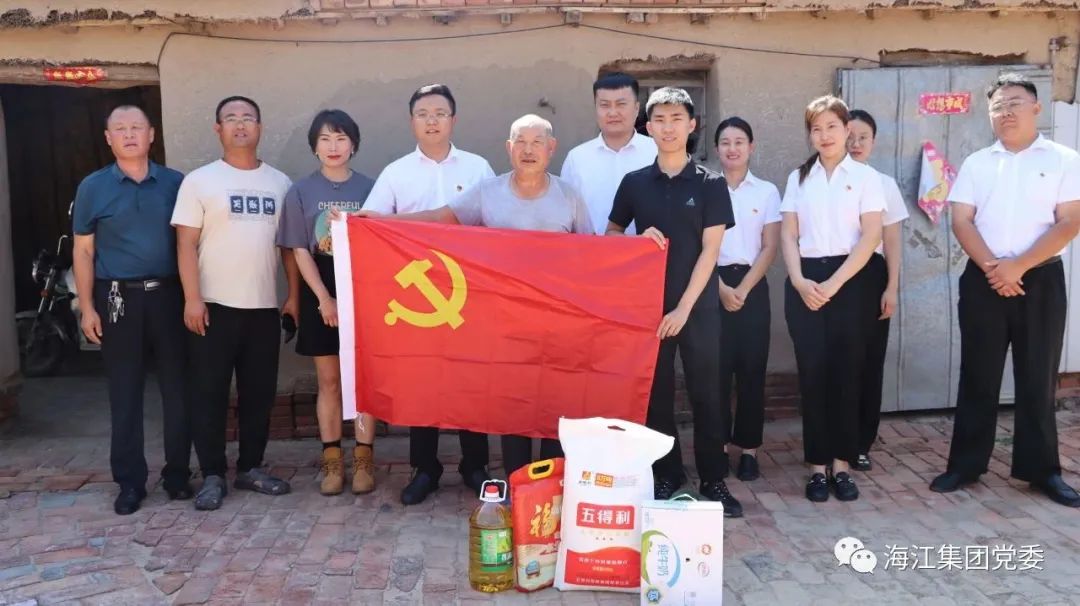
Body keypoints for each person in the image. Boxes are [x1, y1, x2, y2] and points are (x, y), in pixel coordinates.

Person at [360, 114, 592, 480]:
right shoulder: (488, 192)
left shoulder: (570, 197)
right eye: (521, 142)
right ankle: (518, 483)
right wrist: (380, 221)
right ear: (509, 148)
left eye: (537, 142)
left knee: (555, 405)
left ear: (552, 148)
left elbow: (593, 257)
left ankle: (551, 484)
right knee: (514, 406)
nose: (528, 149)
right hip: (504, 323)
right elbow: (441, 218)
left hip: (557, 323)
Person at [930, 73, 1080, 507]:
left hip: (1041, 279)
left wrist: (1020, 266)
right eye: (998, 106)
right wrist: (996, 269)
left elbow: (1070, 220)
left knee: (1038, 376)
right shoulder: (977, 163)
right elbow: (961, 220)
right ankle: (965, 465)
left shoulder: (1064, 159)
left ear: (1036, 107)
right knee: (978, 374)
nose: (1006, 112)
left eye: (1015, 102)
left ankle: (1042, 471)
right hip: (985, 279)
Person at [607, 87, 742, 517]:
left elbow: (710, 252)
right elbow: (611, 235)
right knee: (656, 396)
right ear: (648, 127)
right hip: (648, 308)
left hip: (697, 309)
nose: (668, 127)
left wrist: (683, 308)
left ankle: (714, 478)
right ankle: (667, 473)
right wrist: (634, 241)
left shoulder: (710, 184)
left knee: (708, 393)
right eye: (660, 120)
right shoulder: (634, 183)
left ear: (691, 124)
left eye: (676, 118)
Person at [363, 84, 496, 506]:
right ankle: (425, 468)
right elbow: (371, 226)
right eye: (423, 113)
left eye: (440, 113)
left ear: (453, 120)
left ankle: (476, 465)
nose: (432, 120)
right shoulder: (396, 173)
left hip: (469, 292)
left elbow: (496, 225)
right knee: (421, 381)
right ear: (412, 122)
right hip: (417, 300)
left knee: (471, 380)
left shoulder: (478, 168)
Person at [172, 95, 297, 511]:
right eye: (231, 118)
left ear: (260, 128)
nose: (240, 124)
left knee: (258, 394)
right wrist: (192, 298)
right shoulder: (200, 181)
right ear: (218, 129)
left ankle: (251, 467)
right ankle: (212, 474)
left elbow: (288, 248)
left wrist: (293, 296)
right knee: (208, 393)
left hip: (262, 307)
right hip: (212, 307)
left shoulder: (280, 183)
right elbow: (185, 244)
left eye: (248, 118)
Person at [72, 104, 192, 515]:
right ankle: (129, 482)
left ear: (151, 134)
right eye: (120, 129)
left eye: (136, 127)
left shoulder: (175, 183)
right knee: (124, 392)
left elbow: (190, 243)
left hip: (170, 295)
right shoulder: (93, 187)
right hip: (117, 299)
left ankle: (178, 475)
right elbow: (83, 251)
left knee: (177, 389)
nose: (129, 135)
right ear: (108, 138)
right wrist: (87, 308)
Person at [780, 95, 884, 503]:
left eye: (832, 127)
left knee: (847, 373)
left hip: (852, 281)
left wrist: (836, 283)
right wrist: (798, 280)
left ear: (847, 130)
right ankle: (816, 467)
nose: (824, 135)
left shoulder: (865, 177)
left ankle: (842, 465)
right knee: (813, 374)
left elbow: (871, 236)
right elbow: (789, 234)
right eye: (816, 128)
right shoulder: (798, 178)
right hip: (806, 280)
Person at [277, 109, 376, 496]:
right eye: (325, 139)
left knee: (363, 380)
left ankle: (364, 459)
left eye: (341, 138)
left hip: (364, 286)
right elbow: (300, 249)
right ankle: (332, 461)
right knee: (330, 381)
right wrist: (323, 299)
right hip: (320, 284)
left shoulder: (371, 187)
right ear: (314, 147)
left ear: (354, 144)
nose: (333, 146)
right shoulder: (300, 191)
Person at [713, 117, 781, 482]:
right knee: (716, 373)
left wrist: (742, 289)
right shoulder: (706, 188)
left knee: (752, 372)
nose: (732, 148)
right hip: (713, 284)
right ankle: (720, 446)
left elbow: (770, 246)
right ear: (716, 148)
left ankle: (750, 450)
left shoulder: (767, 192)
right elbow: (698, 247)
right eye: (725, 142)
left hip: (753, 287)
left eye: (739, 141)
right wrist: (721, 288)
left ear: (751, 147)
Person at [846, 109, 910, 471]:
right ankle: (832, 441)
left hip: (871, 279)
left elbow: (893, 240)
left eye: (863, 138)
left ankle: (860, 443)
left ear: (873, 142)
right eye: (849, 136)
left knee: (869, 364)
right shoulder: (820, 180)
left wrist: (892, 287)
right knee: (837, 362)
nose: (855, 144)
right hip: (831, 277)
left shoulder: (883, 183)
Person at [560, 72, 657, 234]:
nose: (612, 113)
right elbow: (565, 213)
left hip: (647, 248)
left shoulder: (656, 152)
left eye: (621, 104)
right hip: (591, 248)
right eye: (605, 105)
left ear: (636, 108)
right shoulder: (577, 158)